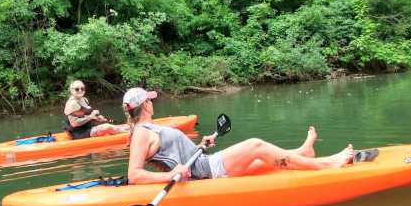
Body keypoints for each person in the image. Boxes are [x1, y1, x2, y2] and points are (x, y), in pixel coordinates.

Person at [122, 87, 354, 184]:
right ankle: (325, 165)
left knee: (258, 160)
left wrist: (201, 144)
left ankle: (302, 153)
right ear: (145, 105)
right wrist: (170, 175)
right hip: (203, 171)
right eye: (149, 99)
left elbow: (174, 153)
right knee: (255, 145)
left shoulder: (149, 128)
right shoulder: (142, 132)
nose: (153, 102)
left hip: (201, 161)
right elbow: (133, 175)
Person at [64, 80, 129, 139]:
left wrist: (97, 118)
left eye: (82, 88)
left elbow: (86, 114)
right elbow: (74, 123)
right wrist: (90, 117)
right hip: (78, 133)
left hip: (88, 128)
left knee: (123, 126)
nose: (80, 90)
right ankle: (130, 135)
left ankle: (129, 130)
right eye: (77, 89)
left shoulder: (84, 99)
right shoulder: (72, 103)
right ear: (72, 90)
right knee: (107, 127)